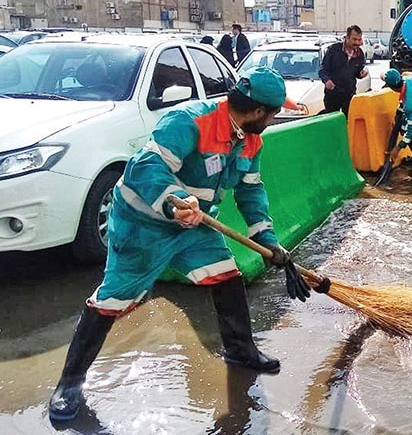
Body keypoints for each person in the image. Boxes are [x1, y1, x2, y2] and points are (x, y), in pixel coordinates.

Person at [48, 67, 315, 422]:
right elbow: (146, 167)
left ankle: (241, 351)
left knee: (226, 276)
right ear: (257, 111)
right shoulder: (190, 121)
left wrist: (266, 239)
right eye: (273, 113)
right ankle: (69, 384)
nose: (272, 119)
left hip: (195, 223)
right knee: (112, 300)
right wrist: (174, 199)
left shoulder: (251, 141)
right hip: (144, 225)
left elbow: (251, 191)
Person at [318, 24, 368, 116]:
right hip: (333, 95)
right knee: (332, 122)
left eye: (359, 39)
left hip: (349, 95)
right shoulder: (333, 50)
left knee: (348, 122)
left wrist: (361, 74)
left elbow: (357, 72)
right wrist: (327, 81)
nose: (357, 42)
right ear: (347, 37)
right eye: (354, 39)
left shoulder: (359, 53)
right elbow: (323, 70)